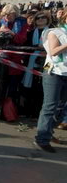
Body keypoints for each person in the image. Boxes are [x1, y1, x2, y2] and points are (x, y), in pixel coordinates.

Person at [33, 17, 67, 152]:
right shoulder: (55, 32)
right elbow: (53, 51)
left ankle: (48, 132)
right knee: (50, 106)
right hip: (53, 72)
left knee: (61, 106)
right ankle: (42, 139)